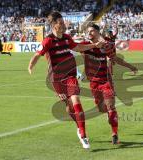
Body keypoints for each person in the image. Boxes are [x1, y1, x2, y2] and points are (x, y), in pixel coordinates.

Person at [28, 11, 104, 149]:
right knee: (69, 107)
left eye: (63, 22)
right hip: (57, 79)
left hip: (70, 75)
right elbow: (37, 54)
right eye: (61, 23)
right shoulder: (48, 41)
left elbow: (78, 47)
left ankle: (83, 134)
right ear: (54, 25)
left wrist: (94, 45)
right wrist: (31, 65)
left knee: (76, 100)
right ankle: (78, 125)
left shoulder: (67, 38)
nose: (64, 25)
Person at [75, 23, 137, 144]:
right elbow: (74, 47)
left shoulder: (106, 46)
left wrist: (131, 66)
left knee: (110, 107)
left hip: (106, 80)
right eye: (88, 31)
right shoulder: (85, 45)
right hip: (93, 83)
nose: (89, 33)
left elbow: (115, 58)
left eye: (92, 31)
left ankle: (114, 133)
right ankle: (111, 117)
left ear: (98, 32)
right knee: (102, 109)